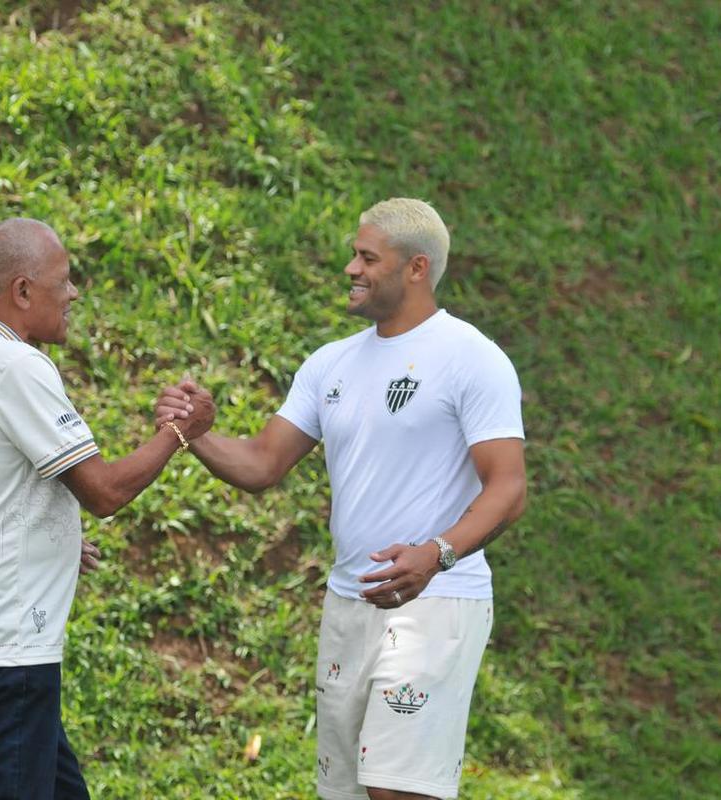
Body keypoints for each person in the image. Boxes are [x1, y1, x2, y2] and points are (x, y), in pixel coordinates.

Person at [156, 198, 526, 800]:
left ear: (416, 268)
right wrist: (192, 434)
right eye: (354, 255)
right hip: (350, 604)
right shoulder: (331, 363)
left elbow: (508, 487)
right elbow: (261, 463)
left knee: (396, 791)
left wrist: (437, 553)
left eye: (367, 257)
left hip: (435, 602)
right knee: (347, 793)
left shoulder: (471, 358)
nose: (351, 269)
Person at [0, 218, 213, 798]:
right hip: (5, 646)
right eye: (64, 281)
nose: (74, 295)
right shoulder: (13, 365)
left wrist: (46, 540)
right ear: (23, 291)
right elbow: (103, 492)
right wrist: (180, 434)